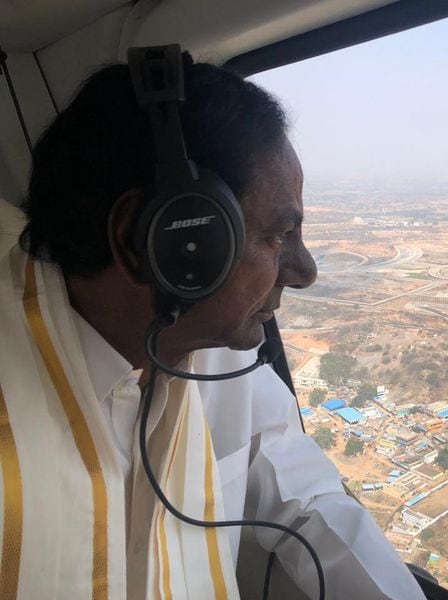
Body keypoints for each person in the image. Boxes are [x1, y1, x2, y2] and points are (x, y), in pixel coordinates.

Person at [0, 54, 426, 599]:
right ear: (159, 241)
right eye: (279, 235)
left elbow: (307, 499)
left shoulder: (217, 355)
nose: (304, 272)